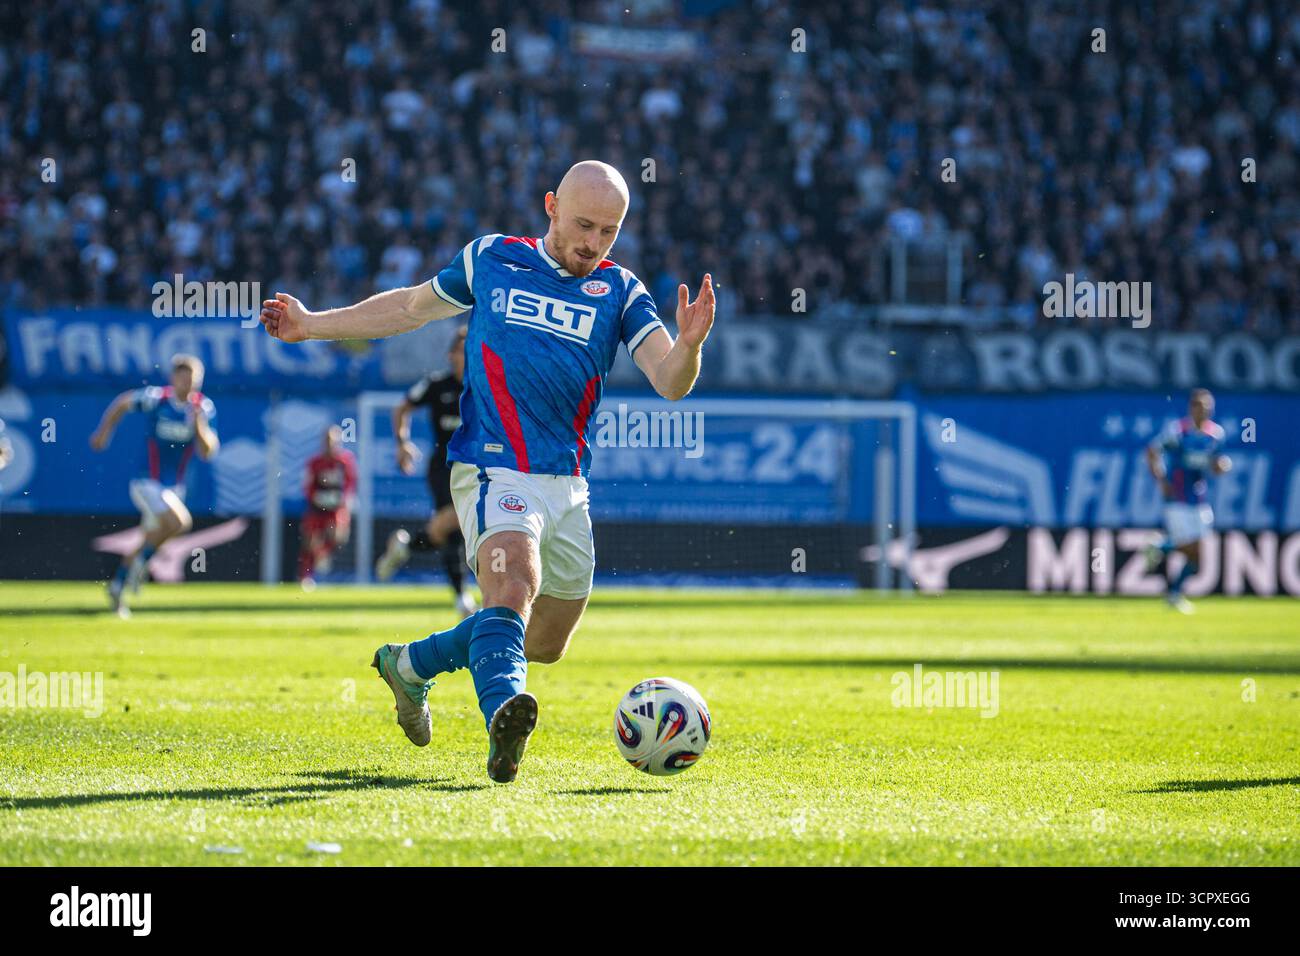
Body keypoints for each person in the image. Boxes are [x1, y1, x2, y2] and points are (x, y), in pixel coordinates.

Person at [260, 160, 715, 782]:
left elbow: (669, 382)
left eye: (608, 233)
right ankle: (504, 716)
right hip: (491, 466)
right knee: (512, 586)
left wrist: (687, 348)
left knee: (544, 642)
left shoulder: (621, 291)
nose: (593, 243)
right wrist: (314, 324)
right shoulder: (492, 258)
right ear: (550, 205)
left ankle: (413, 664)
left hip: (566, 483)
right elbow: (409, 309)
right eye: (584, 225)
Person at [89, 355, 219, 617]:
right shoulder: (156, 398)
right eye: (182, 378)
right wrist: (104, 432)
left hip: (173, 488)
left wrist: (199, 427)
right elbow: (122, 403)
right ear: (173, 378)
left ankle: (117, 588)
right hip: (146, 482)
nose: (187, 384)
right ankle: (142, 566)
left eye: (192, 380)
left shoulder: (202, 409)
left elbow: (208, 452)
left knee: (150, 538)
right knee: (181, 523)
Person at [374, 325, 478, 617]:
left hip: (476, 467)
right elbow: (402, 408)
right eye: (462, 349)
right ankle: (462, 597)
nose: (468, 355)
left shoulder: (484, 386)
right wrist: (401, 443)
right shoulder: (436, 384)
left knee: (455, 531)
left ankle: (407, 546)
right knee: (455, 519)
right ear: (451, 355)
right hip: (443, 466)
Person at [1144, 388, 1231, 613]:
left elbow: (1215, 463)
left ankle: (1163, 552)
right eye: (1200, 406)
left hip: (1199, 499)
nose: (1205, 411)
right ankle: (1164, 555)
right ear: (1191, 408)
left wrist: (1221, 467)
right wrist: (1161, 479)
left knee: (1198, 555)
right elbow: (1152, 451)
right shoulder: (1178, 432)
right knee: (1192, 547)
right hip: (1178, 498)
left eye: (1208, 407)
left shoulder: (1216, 434)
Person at [298, 424, 358, 590]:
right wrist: (316, 497)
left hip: (336, 507)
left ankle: (323, 554)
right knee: (310, 541)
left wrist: (343, 499)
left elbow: (350, 483)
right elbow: (307, 485)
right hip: (317, 507)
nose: (331, 444)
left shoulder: (345, 461)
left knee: (338, 535)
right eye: (327, 440)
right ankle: (306, 576)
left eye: (334, 440)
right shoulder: (315, 462)